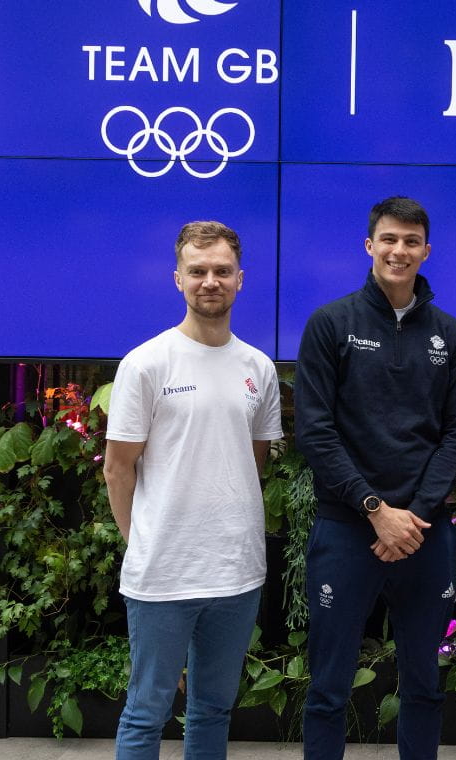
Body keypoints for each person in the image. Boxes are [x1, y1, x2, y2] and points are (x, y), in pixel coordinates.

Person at [295, 196, 456, 760]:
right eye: (390, 239)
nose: (400, 251)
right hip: (347, 528)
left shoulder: (449, 334)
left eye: (411, 242)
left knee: (424, 682)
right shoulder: (331, 324)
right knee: (328, 685)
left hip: (424, 533)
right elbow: (315, 430)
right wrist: (374, 509)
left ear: (426, 251)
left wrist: (413, 516)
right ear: (369, 245)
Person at [103, 221, 283, 760]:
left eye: (222, 271)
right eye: (198, 271)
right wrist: (141, 544)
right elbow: (117, 469)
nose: (210, 281)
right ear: (177, 278)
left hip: (236, 571)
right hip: (163, 573)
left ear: (240, 279)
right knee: (146, 711)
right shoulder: (146, 363)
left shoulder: (259, 367)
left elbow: (252, 461)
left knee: (213, 709)